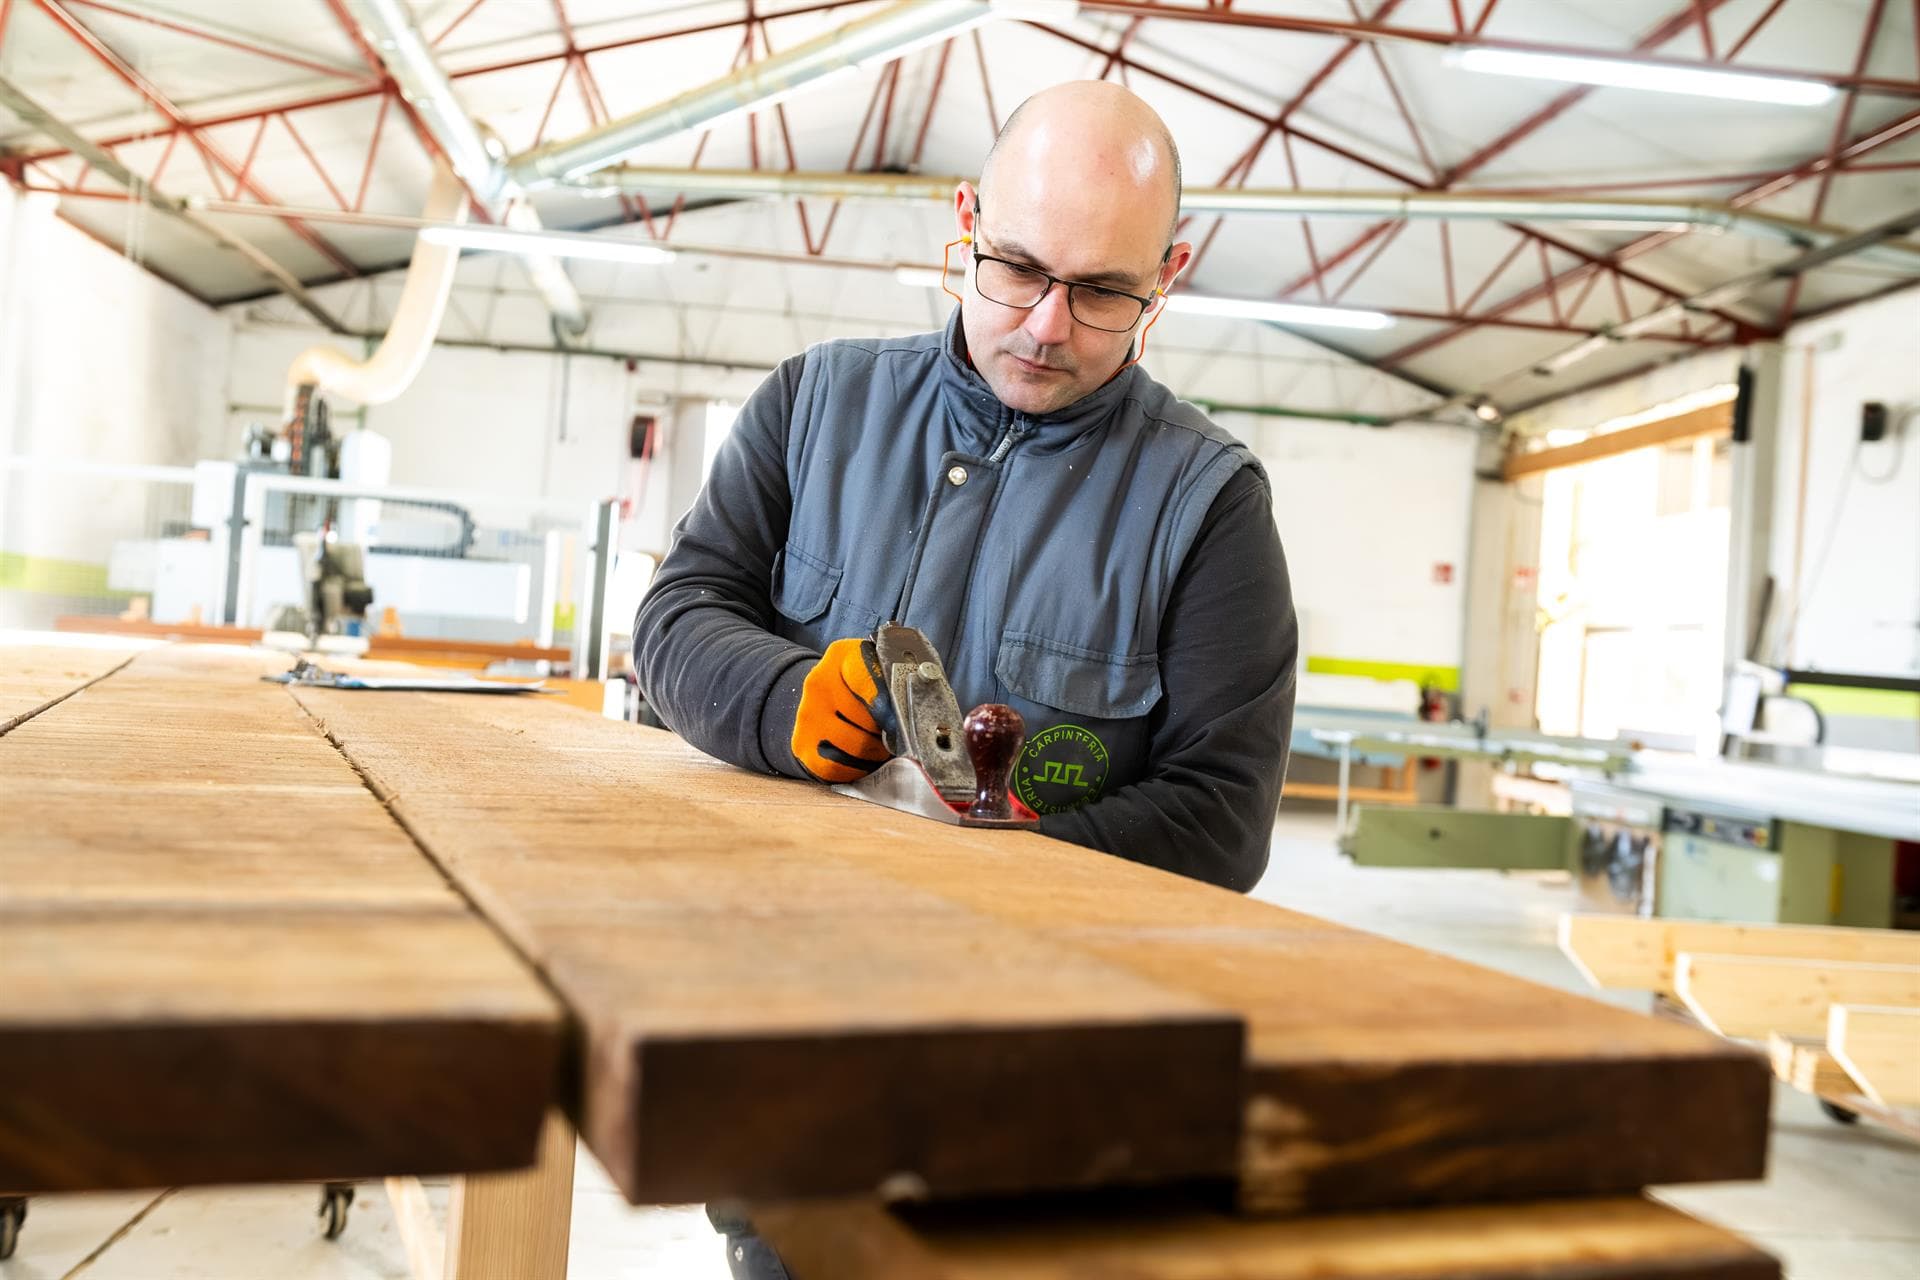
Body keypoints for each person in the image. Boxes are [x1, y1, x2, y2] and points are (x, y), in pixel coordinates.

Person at [634, 75, 1298, 1280]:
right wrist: (782, 703)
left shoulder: (1208, 506)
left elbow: (1225, 810)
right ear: (964, 222)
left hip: (1046, 1106)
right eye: (1016, 267)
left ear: (1171, 272)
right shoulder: (811, 406)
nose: (1047, 324)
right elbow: (679, 616)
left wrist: (1031, 854)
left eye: (1103, 291)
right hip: (793, 1049)